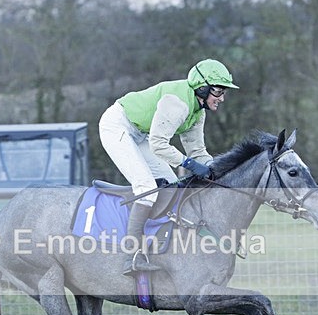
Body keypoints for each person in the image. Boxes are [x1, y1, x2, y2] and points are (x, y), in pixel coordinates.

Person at [98, 58, 238, 275]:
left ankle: (164, 246)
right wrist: (190, 164)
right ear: (202, 88)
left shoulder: (197, 112)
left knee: (173, 185)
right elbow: (158, 144)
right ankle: (132, 256)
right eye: (219, 91)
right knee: (145, 187)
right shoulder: (178, 103)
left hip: (140, 134)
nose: (222, 98)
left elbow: (197, 152)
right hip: (118, 126)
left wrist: (216, 170)